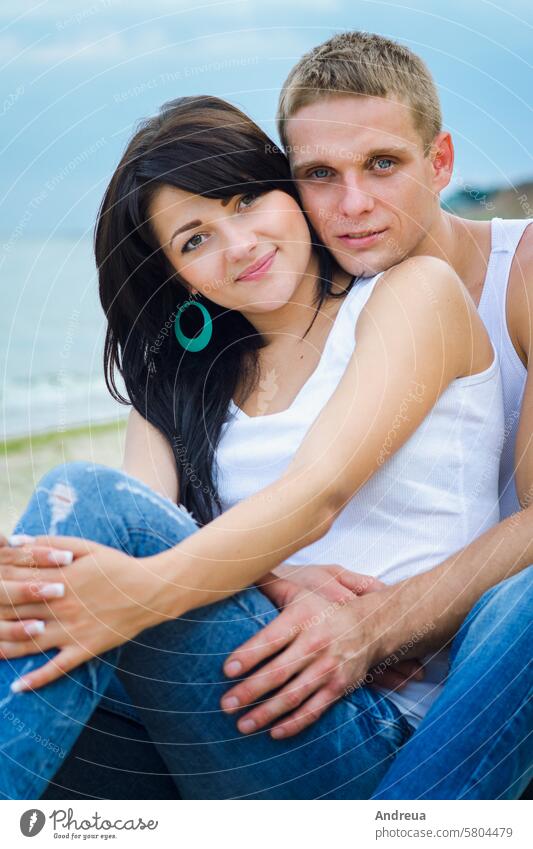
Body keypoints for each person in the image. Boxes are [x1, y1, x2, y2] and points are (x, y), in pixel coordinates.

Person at [0, 88, 518, 802]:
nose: (237, 244)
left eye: (245, 200)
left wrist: (145, 589)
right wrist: (266, 580)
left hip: (363, 726)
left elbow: (316, 492)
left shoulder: (410, 296)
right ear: (175, 275)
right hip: (228, 708)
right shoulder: (174, 384)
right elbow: (133, 543)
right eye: (194, 239)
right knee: (48, 553)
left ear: (287, 190)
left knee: (81, 498)